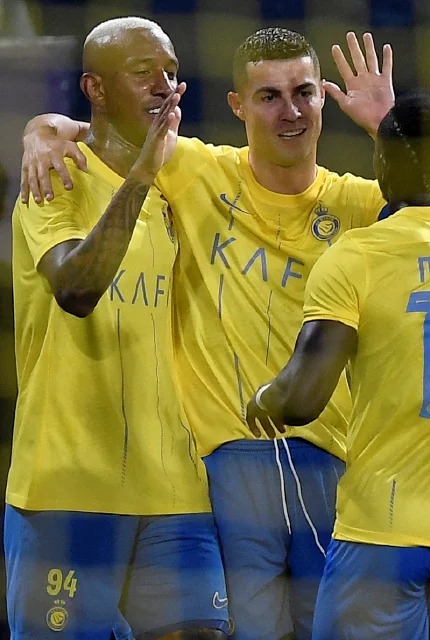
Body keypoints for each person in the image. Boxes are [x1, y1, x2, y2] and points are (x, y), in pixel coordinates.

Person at [21, 27, 430, 640]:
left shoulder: (358, 203)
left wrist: (386, 126)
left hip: (331, 461)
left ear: (323, 99)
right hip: (225, 467)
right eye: (269, 96)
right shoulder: (193, 168)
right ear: (238, 105)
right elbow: (113, 132)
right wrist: (43, 129)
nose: (291, 111)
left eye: (304, 92)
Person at [245, 91, 430, 640]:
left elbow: (302, 399)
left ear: (380, 162)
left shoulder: (357, 256)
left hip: (383, 531)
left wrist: (265, 397)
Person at [5, 17, 227, 639]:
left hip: (175, 491)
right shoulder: (53, 178)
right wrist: (138, 174)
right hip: (68, 487)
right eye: (142, 73)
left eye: (171, 73)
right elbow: (76, 290)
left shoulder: (184, 180)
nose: (163, 86)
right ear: (94, 89)